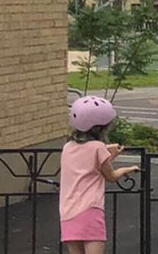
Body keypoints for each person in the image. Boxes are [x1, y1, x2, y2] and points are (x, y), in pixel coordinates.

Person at [60, 96, 140, 254]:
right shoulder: (98, 147)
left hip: (67, 211)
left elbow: (87, 167)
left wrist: (108, 156)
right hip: (90, 209)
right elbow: (111, 176)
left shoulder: (68, 147)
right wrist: (128, 169)